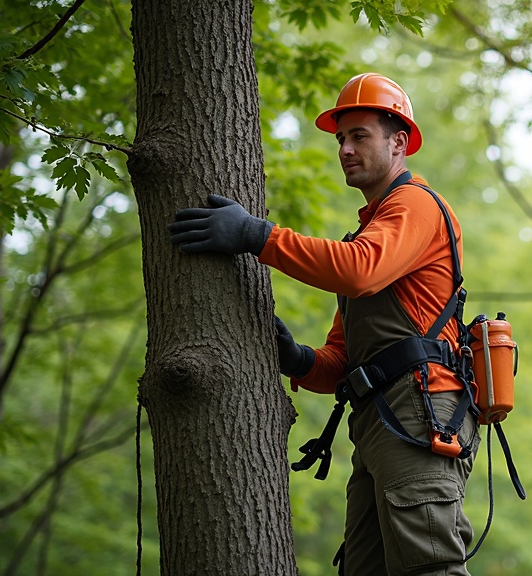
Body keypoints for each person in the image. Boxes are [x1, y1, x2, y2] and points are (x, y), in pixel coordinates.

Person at [168, 72, 479, 576]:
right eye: (341, 138)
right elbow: (343, 362)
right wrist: (298, 359)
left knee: (431, 569)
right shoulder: (373, 229)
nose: (346, 149)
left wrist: (254, 234)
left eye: (360, 136)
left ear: (399, 143)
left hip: (422, 412)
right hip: (382, 419)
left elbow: (358, 270)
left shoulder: (415, 205)